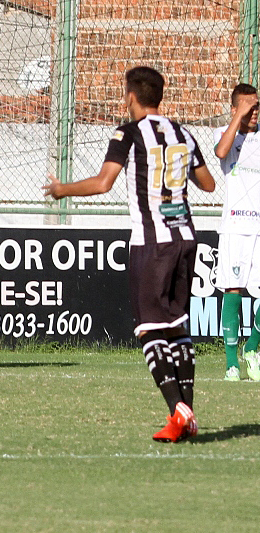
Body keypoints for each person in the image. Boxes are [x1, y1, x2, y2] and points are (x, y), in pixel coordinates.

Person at [44, 66, 215, 443]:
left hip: (152, 243)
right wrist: (175, 171)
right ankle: (185, 419)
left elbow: (103, 182)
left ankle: (177, 409)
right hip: (186, 238)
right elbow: (208, 183)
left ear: (132, 97)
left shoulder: (129, 133)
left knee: (149, 329)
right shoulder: (183, 134)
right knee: (176, 327)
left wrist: (62, 190)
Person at [213, 83, 260, 382]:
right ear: (234, 109)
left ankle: (252, 347)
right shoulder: (225, 134)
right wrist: (238, 117)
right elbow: (220, 151)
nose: (253, 112)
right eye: (247, 106)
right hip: (234, 227)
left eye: (256, 107)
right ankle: (232, 363)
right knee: (233, 290)